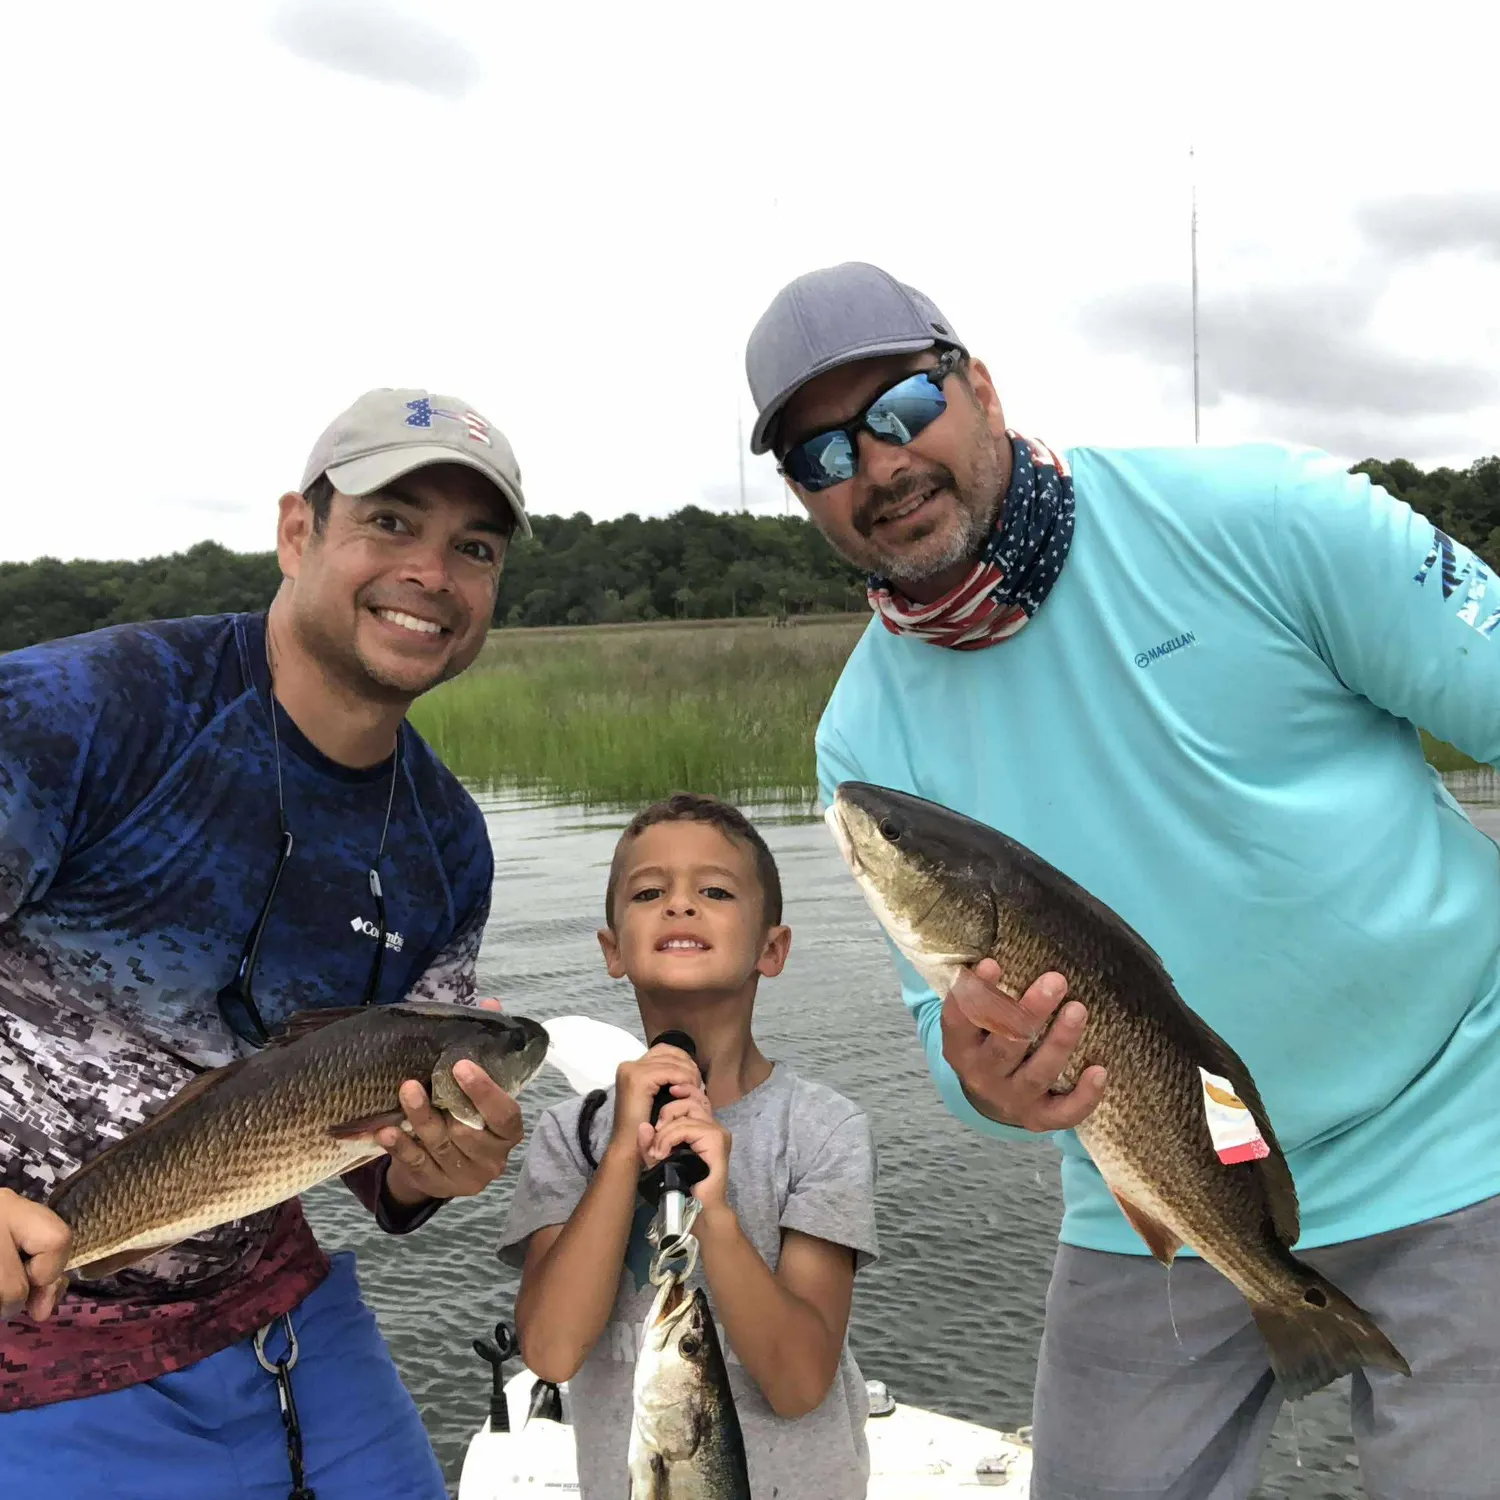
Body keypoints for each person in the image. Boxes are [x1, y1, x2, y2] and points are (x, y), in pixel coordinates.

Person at [740, 261, 1500, 1500]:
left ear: (978, 387)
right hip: (1149, 1193)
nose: (876, 467)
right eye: (823, 455)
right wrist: (986, 1077)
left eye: (901, 409)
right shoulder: (861, 742)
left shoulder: (1261, 512)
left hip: (1468, 1132)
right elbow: (945, 1031)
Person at [0, 388, 535, 1499]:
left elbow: (381, 1163)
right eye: (391, 522)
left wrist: (442, 1166)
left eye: (472, 548)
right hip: (29, 1350)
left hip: (278, 1314)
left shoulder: (447, 844)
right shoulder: (92, 709)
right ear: (299, 531)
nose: (431, 572)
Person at [499, 793, 878, 1500]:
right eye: (649, 892)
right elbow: (551, 1351)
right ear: (613, 949)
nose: (680, 906)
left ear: (773, 948)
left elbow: (798, 1383)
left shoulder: (823, 1131)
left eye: (714, 890)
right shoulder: (571, 1137)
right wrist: (619, 1160)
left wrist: (719, 1214)